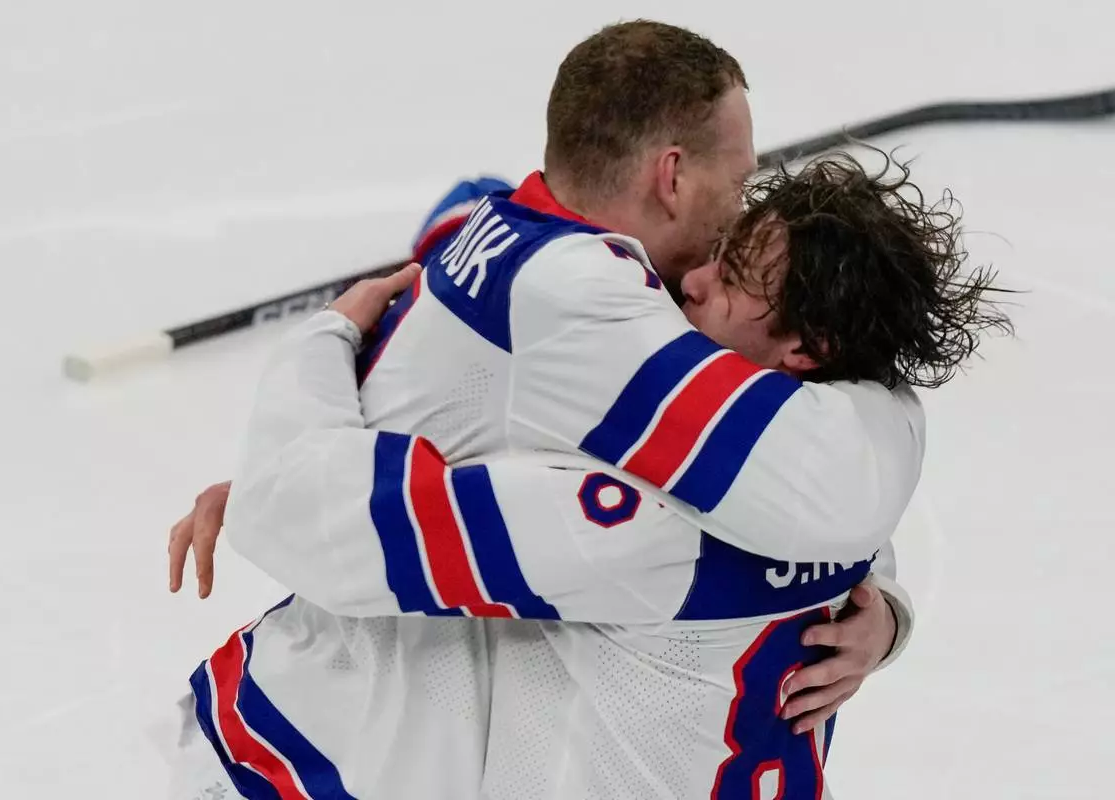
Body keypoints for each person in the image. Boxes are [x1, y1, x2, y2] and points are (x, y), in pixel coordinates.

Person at [164, 20, 1005, 799]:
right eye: (741, 180)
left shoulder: (527, 249)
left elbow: (327, 513)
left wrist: (308, 390)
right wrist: (877, 596)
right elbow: (829, 481)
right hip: (330, 755)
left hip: (330, 741)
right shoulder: (607, 319)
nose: (727, 236)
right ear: (671, 175)